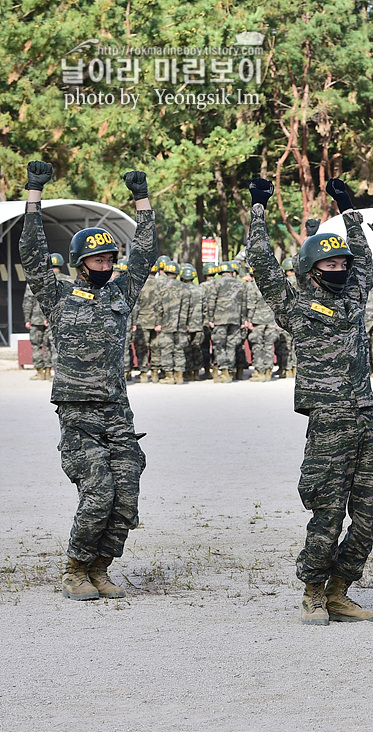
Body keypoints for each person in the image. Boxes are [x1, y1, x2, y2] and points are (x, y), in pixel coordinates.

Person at [246, 175, 373, 625]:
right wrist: (258, 209)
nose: (340, 270)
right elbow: (260, 263)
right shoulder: (294, 305)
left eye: (341, 265)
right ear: (311, 270)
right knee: (328, 508)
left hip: (366, 415)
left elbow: (365, 257)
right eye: (329, 265)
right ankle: (313, 591)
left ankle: (340, 589)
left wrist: (349, 209)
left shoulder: (353, 294)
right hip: (328, 420)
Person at [18, 161, 157, 601]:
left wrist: (142, 201)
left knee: (127, 493)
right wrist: (34, 197)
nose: (107, 264)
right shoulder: (58, 294)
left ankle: (100, 568)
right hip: (78, 413)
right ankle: (75, 568)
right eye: (98, 258)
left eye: (111, 258)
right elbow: (32, 254)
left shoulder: (121, 292)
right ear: (81, 264)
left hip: (117, 410)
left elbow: (147, 252)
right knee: (99, 492)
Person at [208, 260, 248, 381]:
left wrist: (210, 318)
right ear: (231, 272)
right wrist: (243, 320)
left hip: (219, 319)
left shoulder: (215, 283)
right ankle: (231, 371)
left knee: (220, 345)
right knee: (232, 345)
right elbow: (244, 304)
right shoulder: (240, 284)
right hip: (235, 319)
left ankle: (224, 371)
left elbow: (211, 302)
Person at [153, 261, 191, 384]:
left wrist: (158, 323)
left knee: (166, 349)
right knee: (179, 349)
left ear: (166, 272)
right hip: (181, 323)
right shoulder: (184, 287)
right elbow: (188, 307)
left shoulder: (161, 286)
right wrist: (186, 322)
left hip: (166, 323)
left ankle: (169, 376)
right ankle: (179, 376)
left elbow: (158, 307)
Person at [244, 263, 278, 381]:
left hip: (257, 320)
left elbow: (250, 304)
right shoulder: (271, 286)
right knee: (269, 345)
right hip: (270, 319)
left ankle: (259, 371)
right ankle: (268, 370)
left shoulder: (252, 286)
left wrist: (248, 320)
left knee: (257, 345)